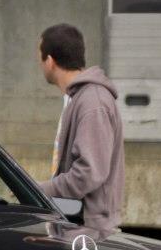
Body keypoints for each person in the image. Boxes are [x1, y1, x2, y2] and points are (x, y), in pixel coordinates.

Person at [36, 23, 124, 234]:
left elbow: (89, 173)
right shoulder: (79, 98)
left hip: (89, 233)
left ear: (50, 61)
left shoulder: (92, 102)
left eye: (40, 58)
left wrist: (41, 190)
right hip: (78, 228)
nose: (39, 65)